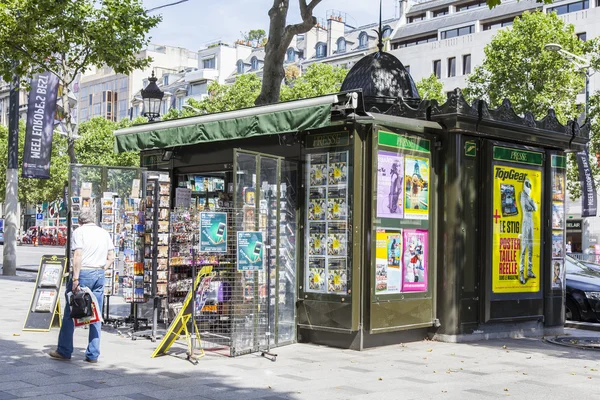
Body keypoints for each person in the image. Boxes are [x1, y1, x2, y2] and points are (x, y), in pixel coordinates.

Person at [49, 211, 114, 363]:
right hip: (98, 273)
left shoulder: (79, 232)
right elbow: (111, 257)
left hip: (83, 272)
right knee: (96, 313)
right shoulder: (104, 233)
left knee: (71, 311)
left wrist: (76, 278)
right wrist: (101, 269)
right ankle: (93, 354)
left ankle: (64, 350)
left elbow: (77, 255)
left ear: (80, 222)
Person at [519, 178, 538, 284]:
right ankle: (521, 272)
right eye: (528, 185)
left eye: (530, 185)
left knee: (531, 247)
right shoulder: (522, 195)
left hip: (531, 223)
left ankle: (529, 270)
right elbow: (526, 207)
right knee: (524, 248)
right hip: (526, 222)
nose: (529, 187)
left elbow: (535, 208)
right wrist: (532, 206)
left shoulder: (529, 198)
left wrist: (532, 205)